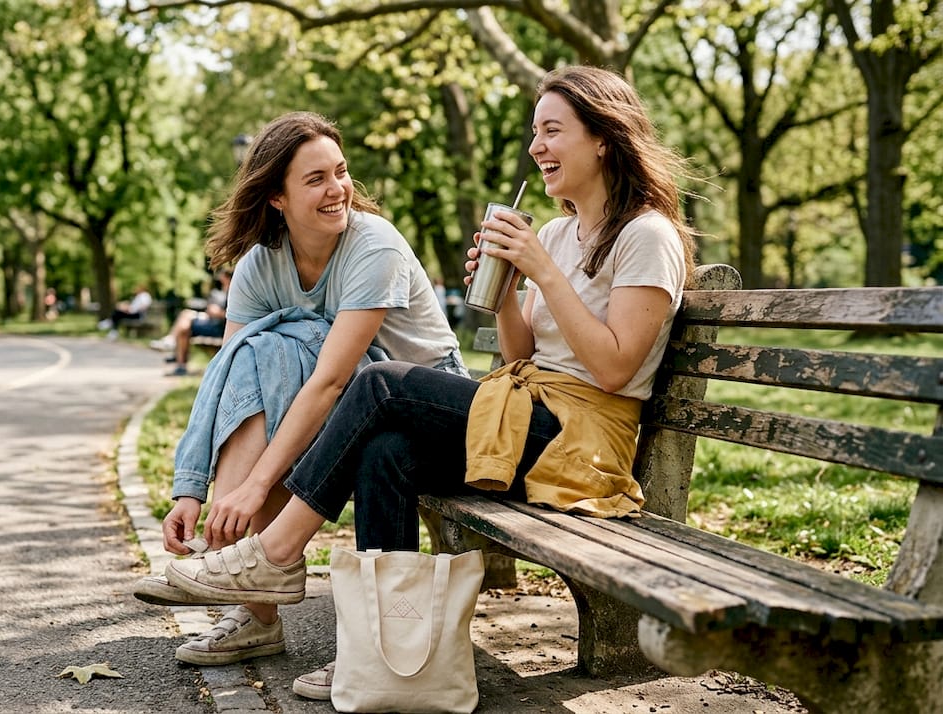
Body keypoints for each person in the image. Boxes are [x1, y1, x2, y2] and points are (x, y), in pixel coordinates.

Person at [149, 66, 700, 701]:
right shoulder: (558, 232)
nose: (536, 148)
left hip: (581, 442)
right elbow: (522, 353)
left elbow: (613, 369)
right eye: (534, 133)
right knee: (388, 454)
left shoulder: (647, 234)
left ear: (603, 138)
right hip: (525, 415)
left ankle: (273, 554)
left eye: (551, 132)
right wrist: (510, 293)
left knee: (380, 384)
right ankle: (376, 652)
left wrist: (542, 272)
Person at [132, 111, 469, 671]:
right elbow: (229, 378)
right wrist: (189, 489)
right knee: (257, 355)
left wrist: (252, 487)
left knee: (296, 345)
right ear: (276, 199)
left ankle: (246, 562)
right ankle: (254, 614)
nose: (338, 190)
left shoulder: (373, 245)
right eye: (316, 180)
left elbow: (335, 379)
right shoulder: (260, 266)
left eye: (339, 172)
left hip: (423, 407)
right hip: (343, 408)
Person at [150, 268, 233, 376]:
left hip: (221, 327)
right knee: (186, 318)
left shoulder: (233, 291)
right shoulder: (222, 292)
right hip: (217, 323)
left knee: (185, 324)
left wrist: (217, 312)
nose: (221, 279)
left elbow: (227, 314)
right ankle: (174, 349)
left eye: (223, 276)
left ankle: (175, 352)